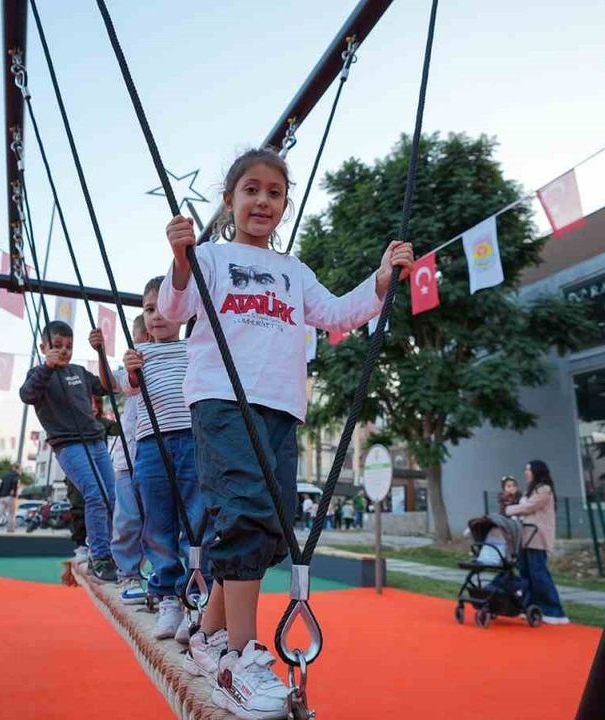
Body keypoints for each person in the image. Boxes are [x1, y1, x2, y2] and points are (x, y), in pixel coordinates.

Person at [161, 148, 413, 719]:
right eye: (251, 190)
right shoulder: (212, 257)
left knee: (272, 528)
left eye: (274, 193)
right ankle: (238, 657)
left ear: (284, 205)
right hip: (223, 399)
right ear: (229, 201)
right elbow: (177, 310)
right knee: (245, 511)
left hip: (280, 406)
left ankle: (207, 632)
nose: (262, 201)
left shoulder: (295, 272)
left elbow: (338, 315)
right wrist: (180, 258)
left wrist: (379, 278)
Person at [118, 276, 207, 642]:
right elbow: (128, 388)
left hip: (191, 440)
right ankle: (167, 596)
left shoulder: (194, 347)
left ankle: (195, 596)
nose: (156, 316)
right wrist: (130, 369)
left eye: (165, 307)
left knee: (196, 521)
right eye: (149, 309)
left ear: (183, 311)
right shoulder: (140, 354)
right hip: (151, 445)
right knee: (157, 524)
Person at [19, 322, 119, 582]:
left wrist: (100, 351)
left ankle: (110, 550)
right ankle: (100, 556)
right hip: (69, 445)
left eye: (69, 346)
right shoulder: (38, 374)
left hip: (95, 441)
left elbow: (108, 387)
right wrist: (47, 367)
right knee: (95, 495)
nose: (64, 351)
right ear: (43, 347)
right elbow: (27, 395)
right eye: (57, 346)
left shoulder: (78, 372)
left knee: (112, 497)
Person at [111, 314, 150, 605]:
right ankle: (127, 571)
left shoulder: (175, 363)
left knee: (158, 518)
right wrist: (101, 353)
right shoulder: (130, 370)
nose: (150, 344)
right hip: (128, 456)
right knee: (127, 518)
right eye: (144, 338)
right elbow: (111, 381)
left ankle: (161, 575)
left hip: (157, 456)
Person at [504, 460, 569, 625]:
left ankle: (554, 611)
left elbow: (529, 507)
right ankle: (530, 607)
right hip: (525, 537)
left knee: (539, 574)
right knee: (525, 574)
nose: (526, 472)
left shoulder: (544, 490)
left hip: (537, 538)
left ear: (536, 471)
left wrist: (509, 509)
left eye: (528, 469)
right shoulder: (530, 490)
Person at [0, 469, 19, 533]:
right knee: (11, 514)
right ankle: (10, 529)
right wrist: (15, 495)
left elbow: (1, 486)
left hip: (2, 497)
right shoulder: (16, 476)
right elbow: (14, 486)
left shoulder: (5, 476)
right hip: (10, 497)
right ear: (18, 469)